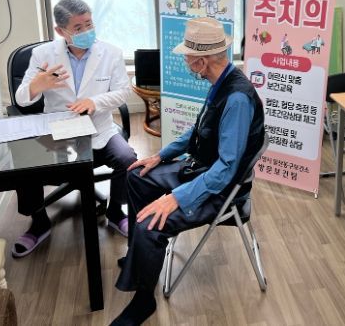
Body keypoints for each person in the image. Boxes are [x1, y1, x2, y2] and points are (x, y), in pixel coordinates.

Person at [111, 17, 265, 326]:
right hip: (202, 170)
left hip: (220, 189)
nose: (184, 60)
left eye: (187, 56)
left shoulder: (236, 98)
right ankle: (139, 259)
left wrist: (176, 198)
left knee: (149, 223)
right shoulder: (220, 83)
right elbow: (197, 132)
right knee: (136, 176)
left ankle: (144, 299)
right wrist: (160, 156)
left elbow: (226, 170)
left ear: (201, 61)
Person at [12, 0, 137, 258]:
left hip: (98, 127)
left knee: (127, 158)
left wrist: (95, 102)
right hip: (59, 130)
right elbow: (21, 99)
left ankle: (116, 212)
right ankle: (39, 222)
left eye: (89, 24)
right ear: (61, 31)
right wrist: (37, 86)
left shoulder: (111, 53)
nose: (86, 31)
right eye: (78, 28)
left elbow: (123, 92)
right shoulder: (43, 55)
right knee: (25, 167)